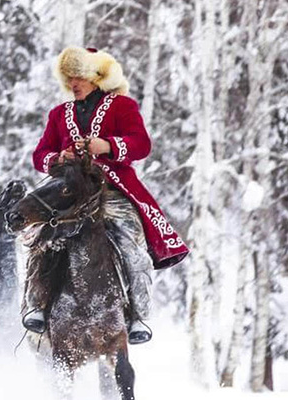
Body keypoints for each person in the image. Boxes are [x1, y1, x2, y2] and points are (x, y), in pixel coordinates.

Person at [25, 46, 190, 344]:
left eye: (80, 76)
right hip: (69, 193)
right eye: (70, 77)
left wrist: (108, 146)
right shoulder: (58, 114)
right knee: (42, 239)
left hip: (113, 191)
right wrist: (57, 158)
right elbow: (40, 155)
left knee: (130, 245)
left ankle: (138, 314)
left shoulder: (122, 106)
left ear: (98, 77)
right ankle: (35, 305)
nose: (74, 82)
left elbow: (142, 144)